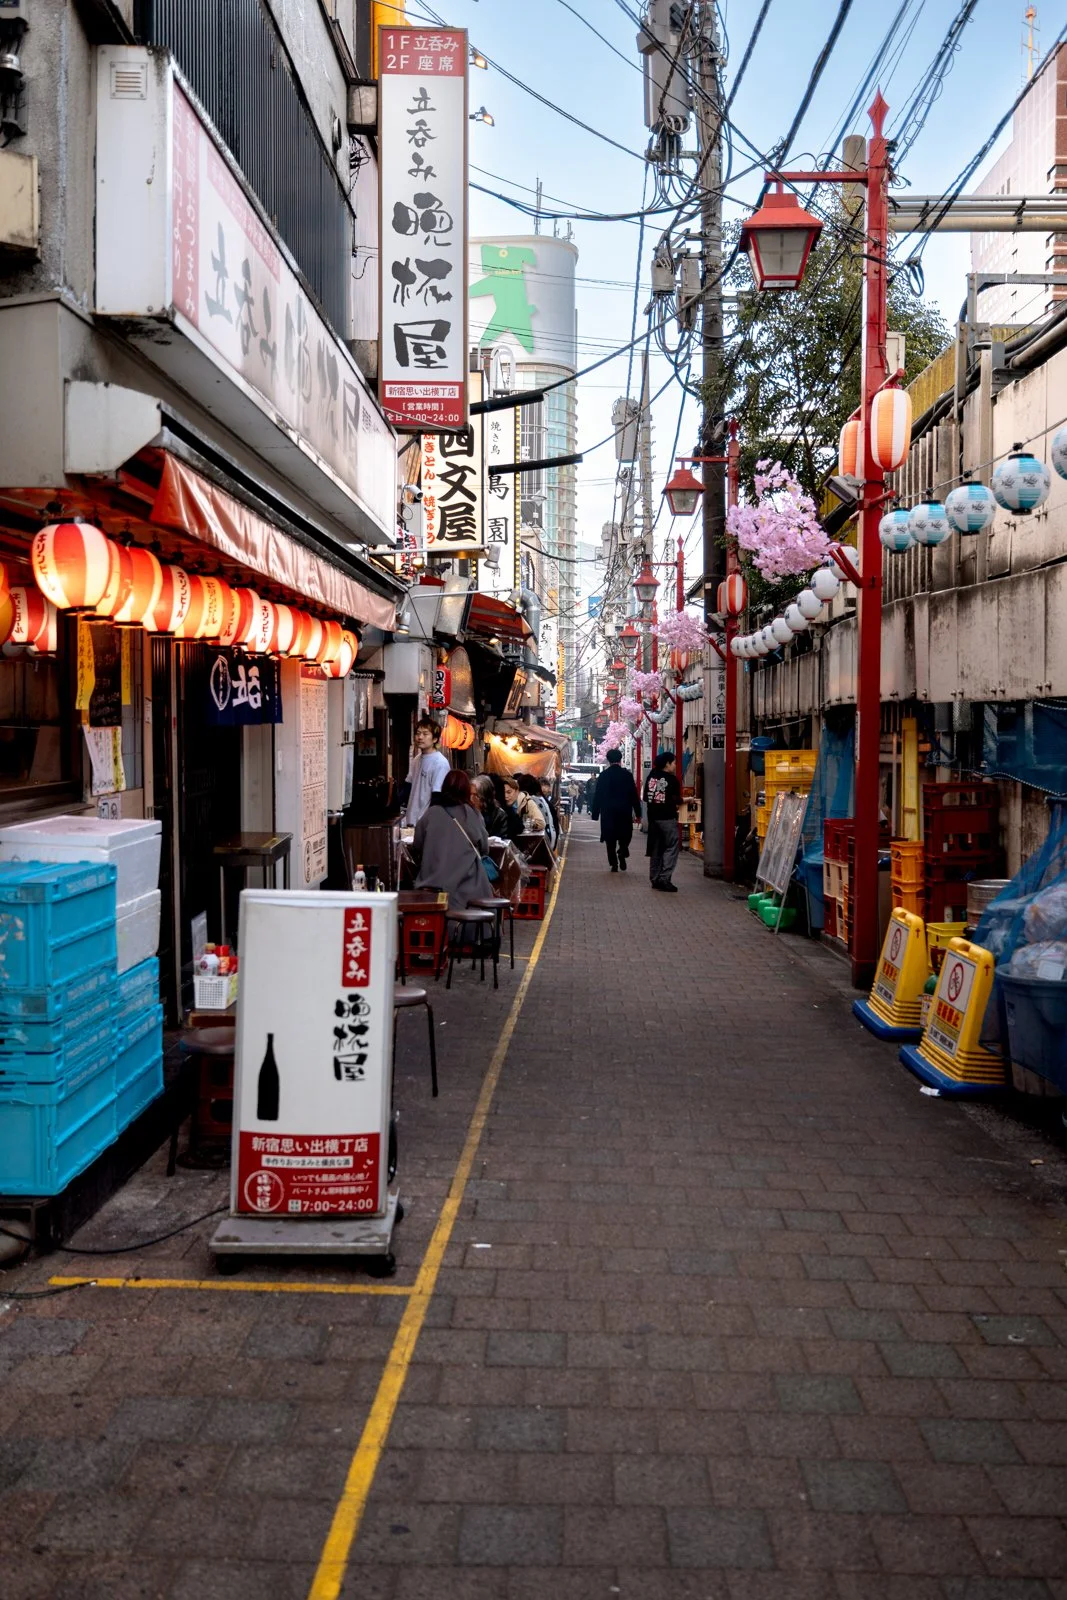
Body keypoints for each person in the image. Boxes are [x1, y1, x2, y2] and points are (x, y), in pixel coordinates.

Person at [411, 769, 494, 910]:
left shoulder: (431, 813)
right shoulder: (472, 813)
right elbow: (484, 848)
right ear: (466, 790)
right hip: (469, 886)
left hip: (432, 884)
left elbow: (417, 846)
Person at [590, 748, 642, 872]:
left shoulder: (603, 776)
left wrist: (595, 813)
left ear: (608, 760)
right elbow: (633, 794)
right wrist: (638, 812)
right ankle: (622, 851)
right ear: (620, 759)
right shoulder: (627, 775)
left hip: (608, 812)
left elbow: (598, 795)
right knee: (625, 835)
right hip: (624, 811)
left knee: (610, 838)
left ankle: (614, 864)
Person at [644, 750, 682, 892]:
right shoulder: (672, 780)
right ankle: (664, 878)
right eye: (674, 763)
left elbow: (645, 798)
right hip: (667, 818)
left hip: (653, 818)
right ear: (667, 764)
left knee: (656, 848)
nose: (675, 766)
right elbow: (677, 800)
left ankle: (654, 878)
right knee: (672, 846)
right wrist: (686, 800)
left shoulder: (651, 777)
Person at [403, 717, 450, 827]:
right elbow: (407, 787)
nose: (420, 737)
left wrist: (431, 822)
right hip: (411, 820)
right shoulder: (416, 759)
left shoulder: (440, 763)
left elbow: (437, 797)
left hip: (426, 823)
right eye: (418, 733)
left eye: (425, 734)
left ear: (435, 739)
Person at [471, 773, 520, 841]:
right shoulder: (467, 813)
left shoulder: (499, 815)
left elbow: (500, 843)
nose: (471, 799)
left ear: (484, 796)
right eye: (470, 794)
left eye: (475, 795)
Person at [516, 773, 556, 846]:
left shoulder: (531, 800)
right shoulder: (540, 799)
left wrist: (524, 825)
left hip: (543, 839)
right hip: (550, 836)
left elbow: (540, 823)